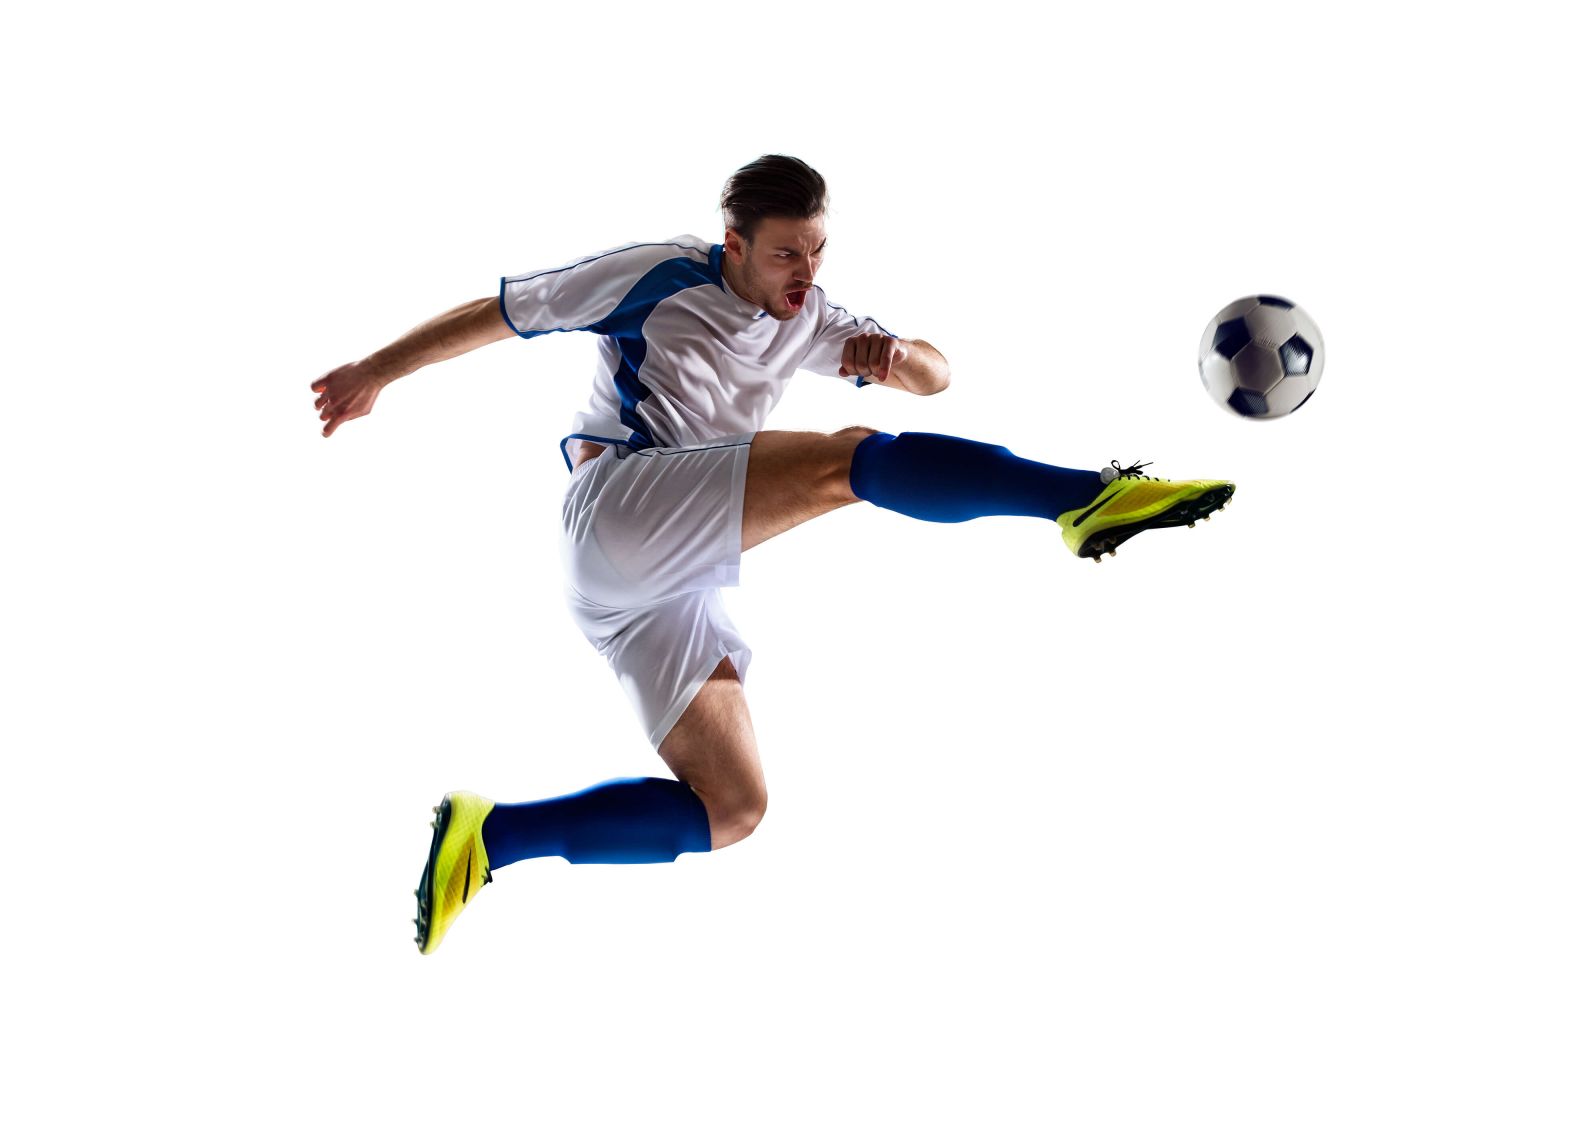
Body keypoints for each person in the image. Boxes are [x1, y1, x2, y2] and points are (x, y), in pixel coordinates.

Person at [310, 155, 1234, 954]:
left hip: (655, 587)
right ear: (735, 244)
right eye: (787, 252)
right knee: (846, 460)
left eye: (818, 249)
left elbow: (937, 376)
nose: (807, 270)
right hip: (618, 509)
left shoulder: (811, 314)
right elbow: (506, 312)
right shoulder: (659, 275)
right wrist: (375, 372)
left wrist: (895, 356)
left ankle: (490, 839)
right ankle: (1080, 499)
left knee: (731, 808)